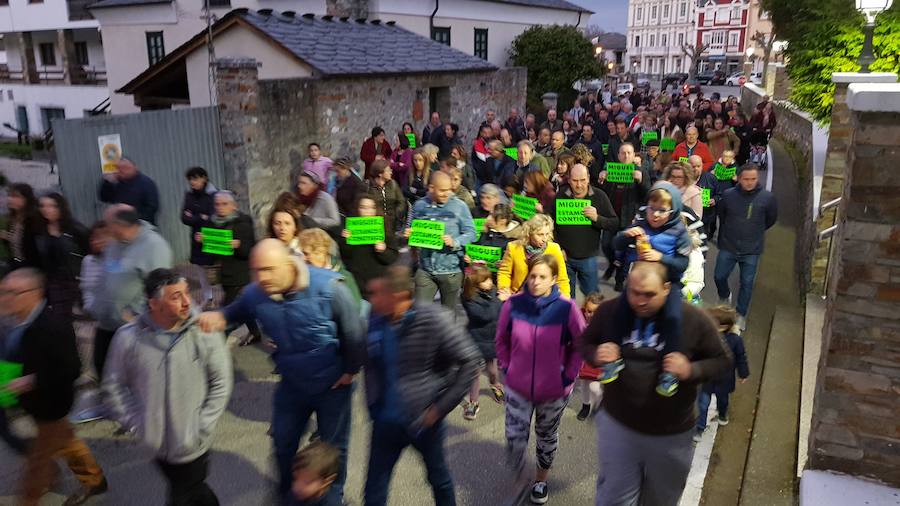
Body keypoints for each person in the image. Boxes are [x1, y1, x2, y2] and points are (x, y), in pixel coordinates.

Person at [198, 239, 365, 504]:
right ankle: (288, 497)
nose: (261, 278)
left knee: (332, 451)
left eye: (268, 269)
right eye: (256, 270)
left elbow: (355, 333)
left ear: (289, 264)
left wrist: (349, 371)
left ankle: (332, 499)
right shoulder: (256, 293)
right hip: (291, 385)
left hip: (332, 386)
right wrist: (220, 317)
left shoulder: (330, 288)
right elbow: (236, 311)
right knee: (283, 444)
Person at [580, 262, 732, 506]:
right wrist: (596, 353)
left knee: (660, 500)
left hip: (670, 435)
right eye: (634, 292)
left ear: (666, 288)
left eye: (649, 294)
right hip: (619, 427)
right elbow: (585, 341)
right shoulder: (610, 311)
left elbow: (723, 361)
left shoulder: (692, 319)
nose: (640, 301)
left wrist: (690, 370)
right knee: (613, 499)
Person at [103, 268, 233, 506]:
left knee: (183, 493)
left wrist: (202, 425)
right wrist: (136, 424)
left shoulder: (203, 332)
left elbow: (221, 382)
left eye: (187, 293)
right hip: (156, 443)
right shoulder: (128, 338)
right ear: (154, 304)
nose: (187, 302)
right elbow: (113, 386)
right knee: (192, 490)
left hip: (193, 442)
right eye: (176, 297)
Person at [363, 265, 481, 506]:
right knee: (375, 485)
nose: (372, 301)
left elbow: (471, 360)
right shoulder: (375, 318)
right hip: (385, 421)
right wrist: (373, 404)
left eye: (379, 295)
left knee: (438, 478)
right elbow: (370, 362)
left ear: (399, 298)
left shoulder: (433, 318)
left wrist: (439, 409)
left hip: (423, 422)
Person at [1, 268, 107, 506]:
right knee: (65, 438)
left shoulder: (53, 326)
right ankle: (94, 480)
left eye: (12, 293)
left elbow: (72, 369)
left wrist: (32, 380)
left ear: (34, 294)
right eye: (3, 292)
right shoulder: (15, 321)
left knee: (36, 466)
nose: (5, 298)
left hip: (52, 402)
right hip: (32, 402)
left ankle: (31, 496)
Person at [496, 254, 586, 504]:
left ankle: (540, 480)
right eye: (532, 275)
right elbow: (501, 340)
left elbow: (580, 344)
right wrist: (506, 367)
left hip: (554, 390)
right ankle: (520, 478)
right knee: (514, 438)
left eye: (542, 277)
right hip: (517, 387)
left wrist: (567, 376)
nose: (536, 281)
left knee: (546, 437)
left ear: (553, 279)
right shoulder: (512, 304)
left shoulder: (567, 308)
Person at [611, 182, 693, 395]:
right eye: (651, 208)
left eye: (662, 210)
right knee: (619, 311)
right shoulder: (639, 223)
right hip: (637, 282)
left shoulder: (679, 232)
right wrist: (626, 235)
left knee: (674, 319)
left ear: (673, 210)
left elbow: (683, 264)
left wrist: (661, 258)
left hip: (667, 285)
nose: (655, 215)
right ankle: (614, 356)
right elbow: (615, 245)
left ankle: (669, 372)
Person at [91, 206, 173, 379]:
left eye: (108, 224)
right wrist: (95, 304)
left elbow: (161, 290)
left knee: (129, 377)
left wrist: (138, 317)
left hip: (132, 328)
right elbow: (106, 274)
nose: (105, 228)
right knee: (102, 370)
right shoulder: (114, 244)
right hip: (106, 323)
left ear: (119, 224)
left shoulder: (154, 246)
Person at [714, 164, 778, 331]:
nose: (750, 182)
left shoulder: (767, 198)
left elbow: (770, 219)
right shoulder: (728, 196)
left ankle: (740, 315)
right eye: (746, 179)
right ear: (739, 178)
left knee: (747, 283)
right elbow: (722, 214)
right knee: (719, 276)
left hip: (752, 248)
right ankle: (724, 296)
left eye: (753, 179)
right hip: (729, 244)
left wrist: (754, 230)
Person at [405, 172, 476, 311]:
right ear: (431, 188)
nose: (447, 193)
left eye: (449, 189)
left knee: (448, 317)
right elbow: (409, 227)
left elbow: (472, 233)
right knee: (420, 315)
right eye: (442, 190)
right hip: (425, 270)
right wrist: (408, 234)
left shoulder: (460, 206)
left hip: (451, 272)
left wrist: (455, 241)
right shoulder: (419, 206)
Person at [198, 191, 260, 345]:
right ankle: (255, 333)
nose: (220, 208)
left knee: (227, 311)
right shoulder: (212, 223)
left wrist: (238, 245)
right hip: (223, 274)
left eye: (224, 204)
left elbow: (249, 251)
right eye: (217, 204)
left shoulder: (243, 223)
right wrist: (201, 241)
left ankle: (217, 345)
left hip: (239, 274)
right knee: (243, 306)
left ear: (233, 206)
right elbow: (209, 251)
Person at [552, 164, 618, 298]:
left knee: (592, 298)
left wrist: (597, 218)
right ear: (569, 180)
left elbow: (614, 223)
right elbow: (551, 224)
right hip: (565, 258)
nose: (579, 185)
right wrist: (558, 247)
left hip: (589, 258)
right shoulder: (560, 196)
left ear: (588, 178)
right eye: (575, 180)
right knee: (566, 299)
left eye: (582, 180)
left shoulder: (599, 196)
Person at [598, 143, 652, 290]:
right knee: (606, 245)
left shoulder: (641, 171)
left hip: (630, 217)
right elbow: (602, 193)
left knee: (625, 250)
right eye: (623, 153)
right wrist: (602, 179)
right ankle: (611, 264)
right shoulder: (610, 169)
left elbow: (648, 195)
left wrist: (640, 182)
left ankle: (619, 279)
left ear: (634, 155)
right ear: (618, 155)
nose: (626, 156)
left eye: (629, 153)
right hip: (612, 216)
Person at [694, 305, 749, 442]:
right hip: (717, 378)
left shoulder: (732, 340)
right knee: (705, 402)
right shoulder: (732, 340)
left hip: (715, 377)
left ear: (723, 326)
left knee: (716, 400)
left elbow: (741, 357)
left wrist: (743, 373)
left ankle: (720, 416)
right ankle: (703, 425)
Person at [34, 192, 89, 318]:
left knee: (82, 316)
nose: (46, 210)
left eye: (52, 206)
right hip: (54, 281)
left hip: (75, 280)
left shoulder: (75, 229)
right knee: (60, 317)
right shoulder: (40, 229)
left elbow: (88, 253)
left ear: (61, 207)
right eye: (42, 206)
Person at [461, 264, 504, 420]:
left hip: (492, 338)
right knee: (475, 373)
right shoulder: (468, 298)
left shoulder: (492, 290)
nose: (490, 283)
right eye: (485, 280)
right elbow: (486, 315)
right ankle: (474, 402)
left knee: (492, 369)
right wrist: (500, 300)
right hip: (476, 340)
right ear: (475, 283)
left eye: (490, 279)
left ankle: (495, 385)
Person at [497, 214, 570, 301]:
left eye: (547, 234)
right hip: (519, 299)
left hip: (545, 301)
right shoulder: (513, 247)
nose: (544, 239)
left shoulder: (554, 249)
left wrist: (565, 300)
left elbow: (562, 279)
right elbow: (504, 272)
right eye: (540, 234)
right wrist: (504, 290)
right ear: (529, 233)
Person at [339, 196, 400, 298]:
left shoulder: (384, 229)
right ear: (357, 209)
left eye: (371, 207)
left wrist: (383, 250)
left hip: (378, 283)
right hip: (357, 283)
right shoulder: (350, 228)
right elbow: (344, 256)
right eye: (363, 207)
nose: (368, 211)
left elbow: (393, 258)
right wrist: (345, 241)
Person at [181, 167, 217, 307]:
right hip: (196, 238)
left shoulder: (213, 195)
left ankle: (226, 296)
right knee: (200, 269)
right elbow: (184, 218)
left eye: (195, 178)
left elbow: (213, 218)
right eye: (190, 179)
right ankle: (208, 298)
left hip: (212, 236)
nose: (192, 182)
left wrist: (194, 216)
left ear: (204, 178)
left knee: (215, 268)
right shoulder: (189, 196)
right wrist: (200, 217)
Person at [299, 228, 362, 304]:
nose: (303, 258)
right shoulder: (301, 276)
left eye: (306, 254)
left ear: (320, 252)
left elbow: (353, 309)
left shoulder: (344, 277)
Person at [98, 157, 160, 224]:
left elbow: (152, 207)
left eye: (126, 167)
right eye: (120, 168)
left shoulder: (146, 183)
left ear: (135, 167)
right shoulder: (117, 183)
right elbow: (104, 198)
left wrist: (134, 219)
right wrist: (107, 182)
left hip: (141, 225)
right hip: (120, 225)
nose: (123, 171)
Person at [575, 293, 605, 421]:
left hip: (596, 361)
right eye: (588, 311)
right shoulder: (579, 318)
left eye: (595, 312)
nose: (590, 315)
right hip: (582, 359)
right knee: (584, 384)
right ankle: (585, 406)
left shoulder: (606, 323)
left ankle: (601, 403)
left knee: (594, 386)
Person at [1, 183, 40, 271]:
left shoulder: (34, 220)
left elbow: (33, 248)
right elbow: (13, 246)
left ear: (27, 199)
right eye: (9, 196)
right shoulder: (12, 219)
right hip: (15, 264)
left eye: (16, 196)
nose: (10, 199)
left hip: (32, 267)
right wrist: (6, 238)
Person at [79, 221, 111, 322]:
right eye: (92, 238)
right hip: (93, 317)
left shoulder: (118, 261)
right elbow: (86, 289)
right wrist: (89, 310)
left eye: (100, 238)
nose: (95, 242)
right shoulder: (87, 261)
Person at [290, 441, 340, 505]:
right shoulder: (297, 494)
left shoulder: (331, 503)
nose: (297, 487)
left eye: (306, 482)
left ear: (326, 482)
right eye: (295, 478)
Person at [364, 159, 406, 232]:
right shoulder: (368, 187)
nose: (391, 172)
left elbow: (401, 201)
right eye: (388, 170)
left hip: (393, 224)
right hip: (376, 224)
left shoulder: (393, 184)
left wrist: (396, 214)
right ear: (380, 173)